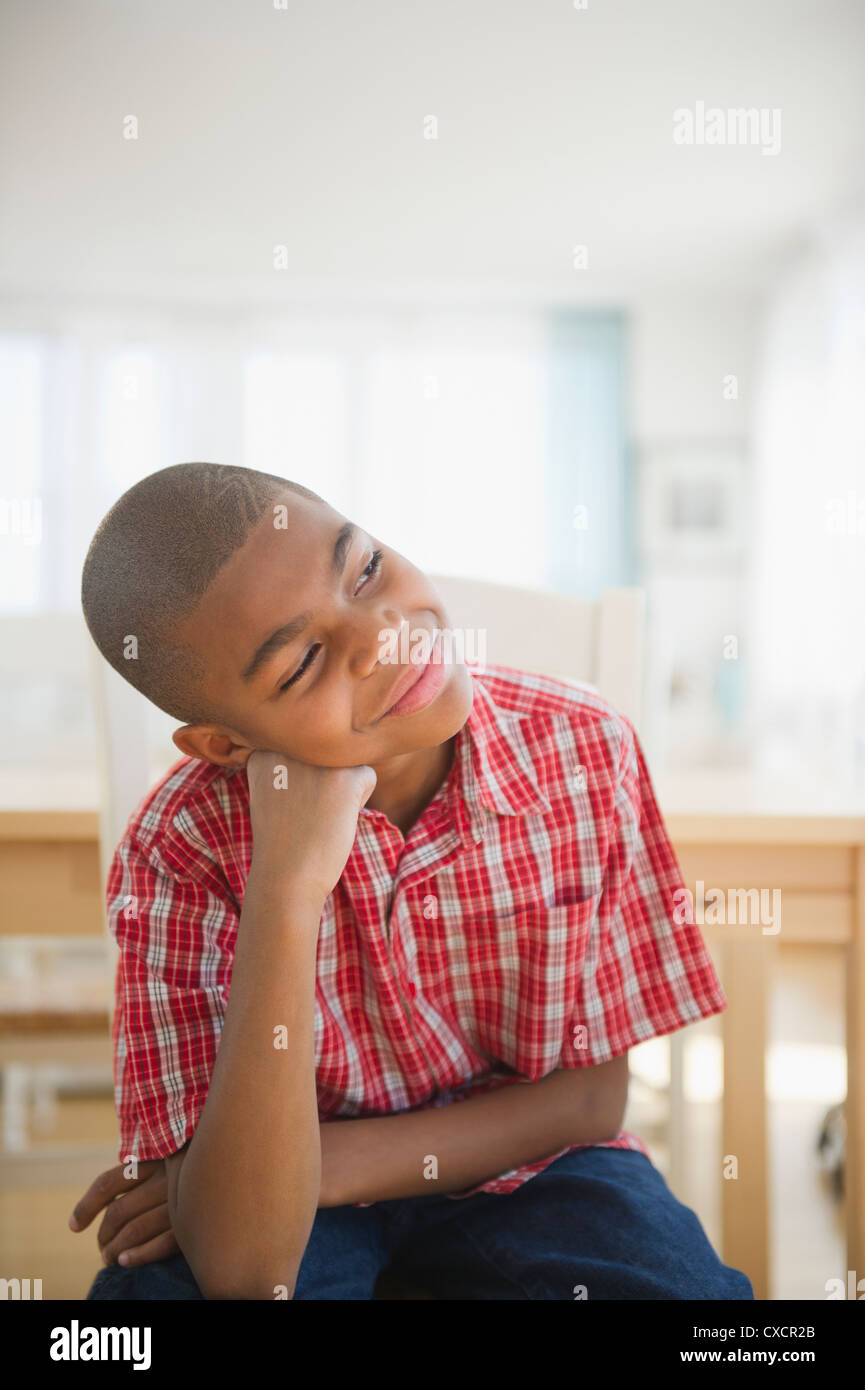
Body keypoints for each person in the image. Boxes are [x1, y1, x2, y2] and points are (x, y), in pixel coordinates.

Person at [71, 461, 753, 1301]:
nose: (381, 635)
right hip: (281, 1196)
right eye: (301, 664)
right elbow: (246, 1267)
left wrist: (325, 1166)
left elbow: (588, 1104)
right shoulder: (179, 847)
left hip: (536, 1168)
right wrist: (284, 892)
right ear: (226, 746)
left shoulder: (582, 748)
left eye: (364, 568)